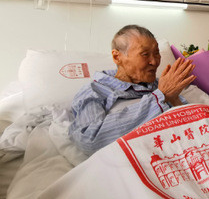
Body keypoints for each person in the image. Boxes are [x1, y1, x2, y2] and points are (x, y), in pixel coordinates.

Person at [69, 25, 196, 155]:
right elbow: (89, 140)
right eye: (145, 54)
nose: (154, 61)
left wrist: (173, 98)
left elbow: (194, 129)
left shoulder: (161, 84)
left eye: (156, 53)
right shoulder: (95, 91)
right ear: (117, 57)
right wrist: (160, 97)